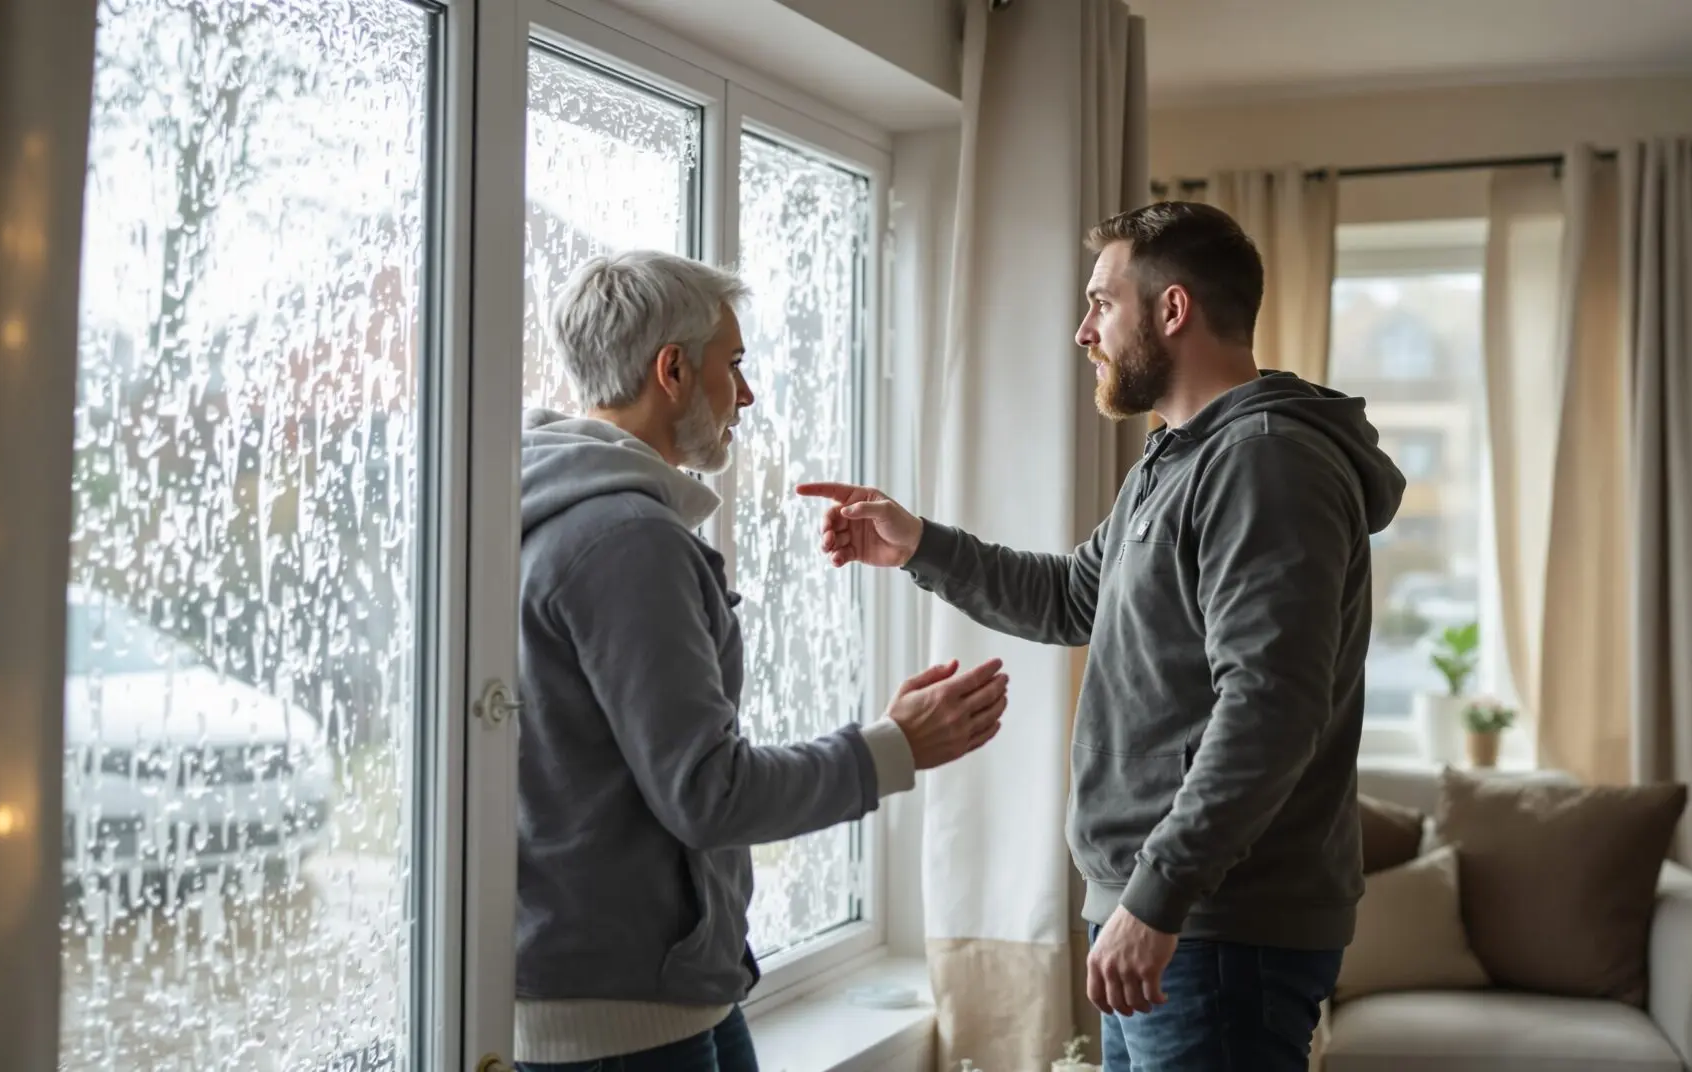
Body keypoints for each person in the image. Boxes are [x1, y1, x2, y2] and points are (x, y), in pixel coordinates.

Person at [799, 201, 1406, 1071]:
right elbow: (1074, 596)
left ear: (1172, 309)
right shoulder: (1174, 461)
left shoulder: (1265, 462)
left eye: (1100, 303)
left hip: (1217, 930)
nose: (1084, 332)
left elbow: (1270, 708)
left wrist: (1157, 901)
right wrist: (919, 545)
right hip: (1166, 919)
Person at [514, 250, 1010, 1072]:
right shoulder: (626, 540)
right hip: (627, 1026)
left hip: (650, 998)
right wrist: (896, 746)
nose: (746, 395)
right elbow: (709, 792)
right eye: (733, 366)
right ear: (672, 369)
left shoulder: (548, 512)